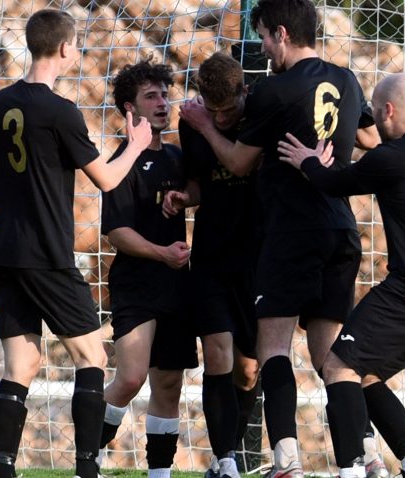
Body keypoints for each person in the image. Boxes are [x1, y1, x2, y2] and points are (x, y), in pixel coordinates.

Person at [178, 1, 381, 476]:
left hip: (292, 231)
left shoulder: (273, 90)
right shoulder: (348, 80)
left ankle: (286, 459)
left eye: (265, 37)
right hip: (341, 229)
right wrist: (330, 156)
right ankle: (364, 457)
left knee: (272, 347)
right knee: (331, 356)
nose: (264, 47)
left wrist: (205, 125)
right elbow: (373, 141)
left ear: (283, 34)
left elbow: (237, 163)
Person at [0, 9, 152, 478]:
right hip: (47, 255)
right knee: (93, 356)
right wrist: (135, 145)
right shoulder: (60, 110)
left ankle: (3, 470)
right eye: (76, 45)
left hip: (2, 253)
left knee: (22, 363)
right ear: (63, 48)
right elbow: (106, 179)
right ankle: (86, 469)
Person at [278, 73, 405, 478]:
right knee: (365, 373)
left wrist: (307, 161)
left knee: (337, 367)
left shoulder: (395, 156)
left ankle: (351, 470)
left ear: (388, 110)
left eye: (374, 116)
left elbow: (335, 183)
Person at [162, 51, 260, 478]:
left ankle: (231, 452)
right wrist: (186, 196)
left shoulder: (261, 114)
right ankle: (224, 462)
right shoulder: (191, 121)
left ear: (244, 92)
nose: (219, 119)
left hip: (259, 256)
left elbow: (240, 162)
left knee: (248, 370)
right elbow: (202, 180)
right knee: (217, 353)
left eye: (228, 111)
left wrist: (206, 125)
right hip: (213, 255)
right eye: (212, 111)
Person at [96, 59, 195, 478]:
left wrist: (186, 197)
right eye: (151, 97)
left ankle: (160, 473)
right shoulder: (121, 162)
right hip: (137, 282)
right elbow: (116, 233)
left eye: (164, 94)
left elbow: (199, 185)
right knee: (132, 377)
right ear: (130, 109)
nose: (162, 103)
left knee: (169, 384)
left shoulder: (176, 155)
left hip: (176, 284)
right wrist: (162, 253)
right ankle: (90, 453)